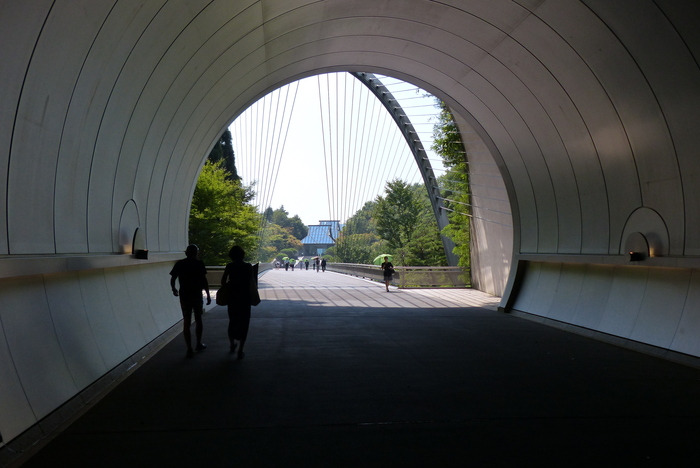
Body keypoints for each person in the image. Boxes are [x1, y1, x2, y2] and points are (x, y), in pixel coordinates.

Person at [170, 244, 211, 357]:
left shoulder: (180, 264)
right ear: (196, 252)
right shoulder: (199, 264)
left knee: (187, 321)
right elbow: (204, 280)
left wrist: (174, 289)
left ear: (186, 252)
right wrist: (207, 294)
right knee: (198, 319)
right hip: (196, 295)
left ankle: (189, 348)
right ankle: (198, 343)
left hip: (184, 296)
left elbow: (173, 278)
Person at [221, 245, 253, 359]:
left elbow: (223, 281)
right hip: (245, 298)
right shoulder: (248, 266)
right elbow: (251, 283)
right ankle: (241, 349)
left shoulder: (230, 266)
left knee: (233, 321)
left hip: (233, 297)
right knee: (244, 322)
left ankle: (232, 344)